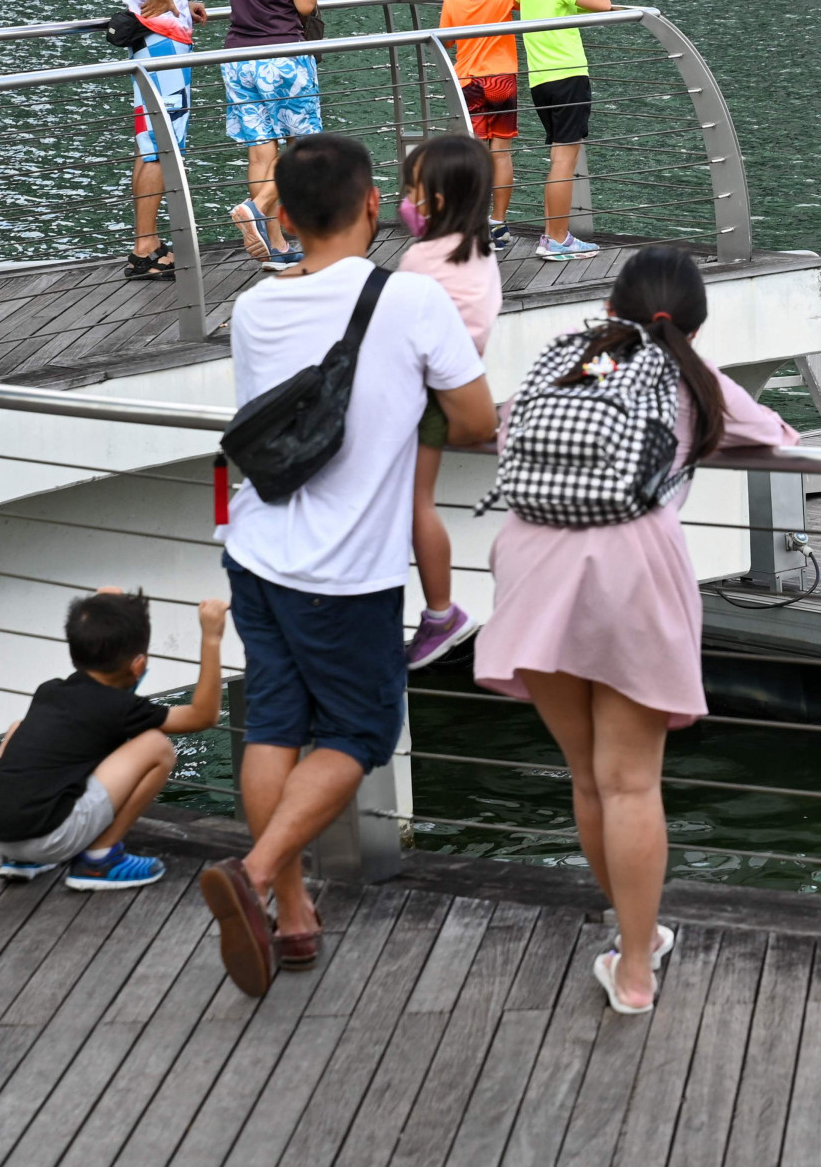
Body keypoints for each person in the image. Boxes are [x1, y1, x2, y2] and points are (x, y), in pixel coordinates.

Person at [200, 133, 494, 997]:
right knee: (360, 734)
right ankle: (254, 877)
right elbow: (474, 421)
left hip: (257, 553)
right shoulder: (413, 301)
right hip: (347, 573)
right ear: (374, 204)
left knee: (276, 729)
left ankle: (292, 917)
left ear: (283, 217)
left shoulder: (255, 309)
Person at [474, 246, 800, 1014]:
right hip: (631, 574)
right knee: (632, 783)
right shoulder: (692, 381)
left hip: (534, 565)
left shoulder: (578, 364)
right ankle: (635, 971)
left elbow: (507, 434)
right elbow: (775, 434)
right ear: (692, 320)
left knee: (590, 779)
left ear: (611, 307)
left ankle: (636, 937)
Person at [0, 588, 227, 888]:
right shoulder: (121, 709)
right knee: (157, 747)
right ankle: (98, 860)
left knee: (19, 727)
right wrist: (211, 638)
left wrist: (105, 608)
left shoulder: (49, 691)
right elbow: (203, 715)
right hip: (49, 836)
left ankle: (21, 860)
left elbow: (99, 694)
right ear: (138, 665)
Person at [398, 134, 503, 667]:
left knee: (417, 504)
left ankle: (441, 612)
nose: (406, 202)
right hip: (463, 385)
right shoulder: (480, 252)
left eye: (413, 191)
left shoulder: (422, 260)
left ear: (436, 200)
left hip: (426, 399)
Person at [220, 0, 334, 271]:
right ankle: (258, 205)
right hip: (283, 57)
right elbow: (304, 6)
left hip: (238, 57)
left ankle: (276, 245)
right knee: (302, 149)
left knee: (260, 152)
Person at [116, 0, 205, 283]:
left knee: (150, 145)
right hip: (163, 48)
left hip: (156, 40)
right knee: (160, 149)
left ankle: (145, 244)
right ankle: (146, 248)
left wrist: (181, 1)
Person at [513, 0, 611, 263]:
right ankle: (556, 239)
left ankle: (554, 235)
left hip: (540, 83)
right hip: (569, 79)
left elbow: (532, 6)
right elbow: (603, 4)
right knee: (563, 161)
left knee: (558, 157)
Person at [439, 0, 522, 253]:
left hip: (468, 82)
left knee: (471, 157)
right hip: (502, 81)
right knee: (500, 154)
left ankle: (468, 223)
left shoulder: (452, 1)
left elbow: (446, 41)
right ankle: (498, 224)